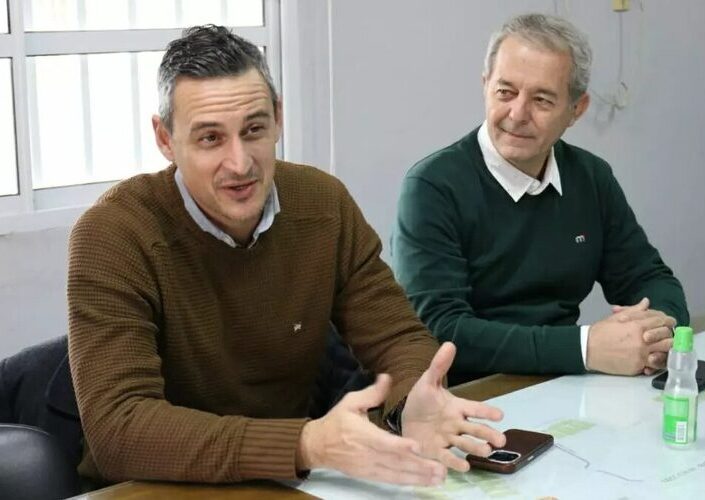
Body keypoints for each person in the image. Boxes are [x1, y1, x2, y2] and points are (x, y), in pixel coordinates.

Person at [67, 25, 505, 487]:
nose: (240, 163)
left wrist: (412, 397)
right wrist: (305, 443)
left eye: (254, 129)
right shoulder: (113, 234)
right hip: (149, 488)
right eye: (210, 139)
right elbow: (120, 429)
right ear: (164, 138)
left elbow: (396, 335)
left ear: (278, 118)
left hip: (281, 481)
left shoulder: (322, 203)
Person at [391, 13, 689, 386]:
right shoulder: (433, 186)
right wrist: (585, 348)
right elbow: (442, 330)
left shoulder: (591, 177)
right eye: (505, 92)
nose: (517, 114)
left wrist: (659, 332)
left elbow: (647, 277)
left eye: (542, 100)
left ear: (576, 110)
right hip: (471, 395)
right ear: (485, 86)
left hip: (565, 384)